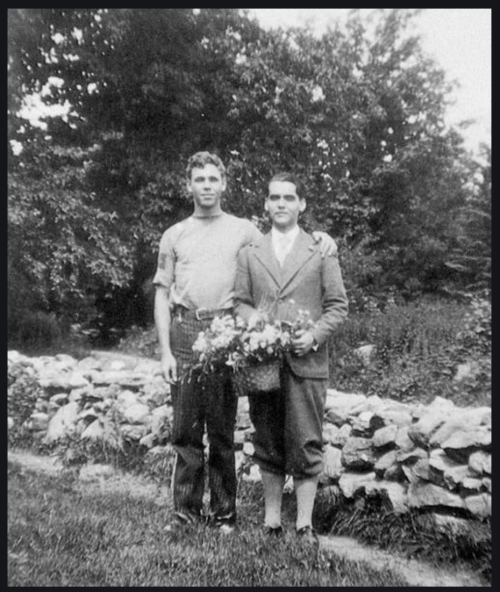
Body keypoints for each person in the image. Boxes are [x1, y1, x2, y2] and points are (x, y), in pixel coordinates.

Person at [153, 152, 338, 534]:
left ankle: (225, 516)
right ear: (189, 185)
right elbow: (163, 294)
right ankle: (185, 515)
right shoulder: (174, 234)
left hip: (227, 333)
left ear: (223, 184)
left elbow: (286, 240)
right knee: (185, 431)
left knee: (222, 429)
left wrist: (324, 237)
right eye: (199, 179)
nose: (206, 186)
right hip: (186, 329)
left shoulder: (244, 231)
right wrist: (165, 350)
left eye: (212, 179)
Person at [234, 171, 348, 543]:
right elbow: (240, 303)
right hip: (264, 364)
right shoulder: (251, 253)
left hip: (307, 364)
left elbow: (337, 306)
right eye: (274, 198)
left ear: (301, 204)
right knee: (266, 437)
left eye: (288, 198)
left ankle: (304, 524)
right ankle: (271, 521)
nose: (280, 204)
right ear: (266, 205)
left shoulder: (321, 250)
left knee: (305, 440)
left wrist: (313, 337)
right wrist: (258, 325)